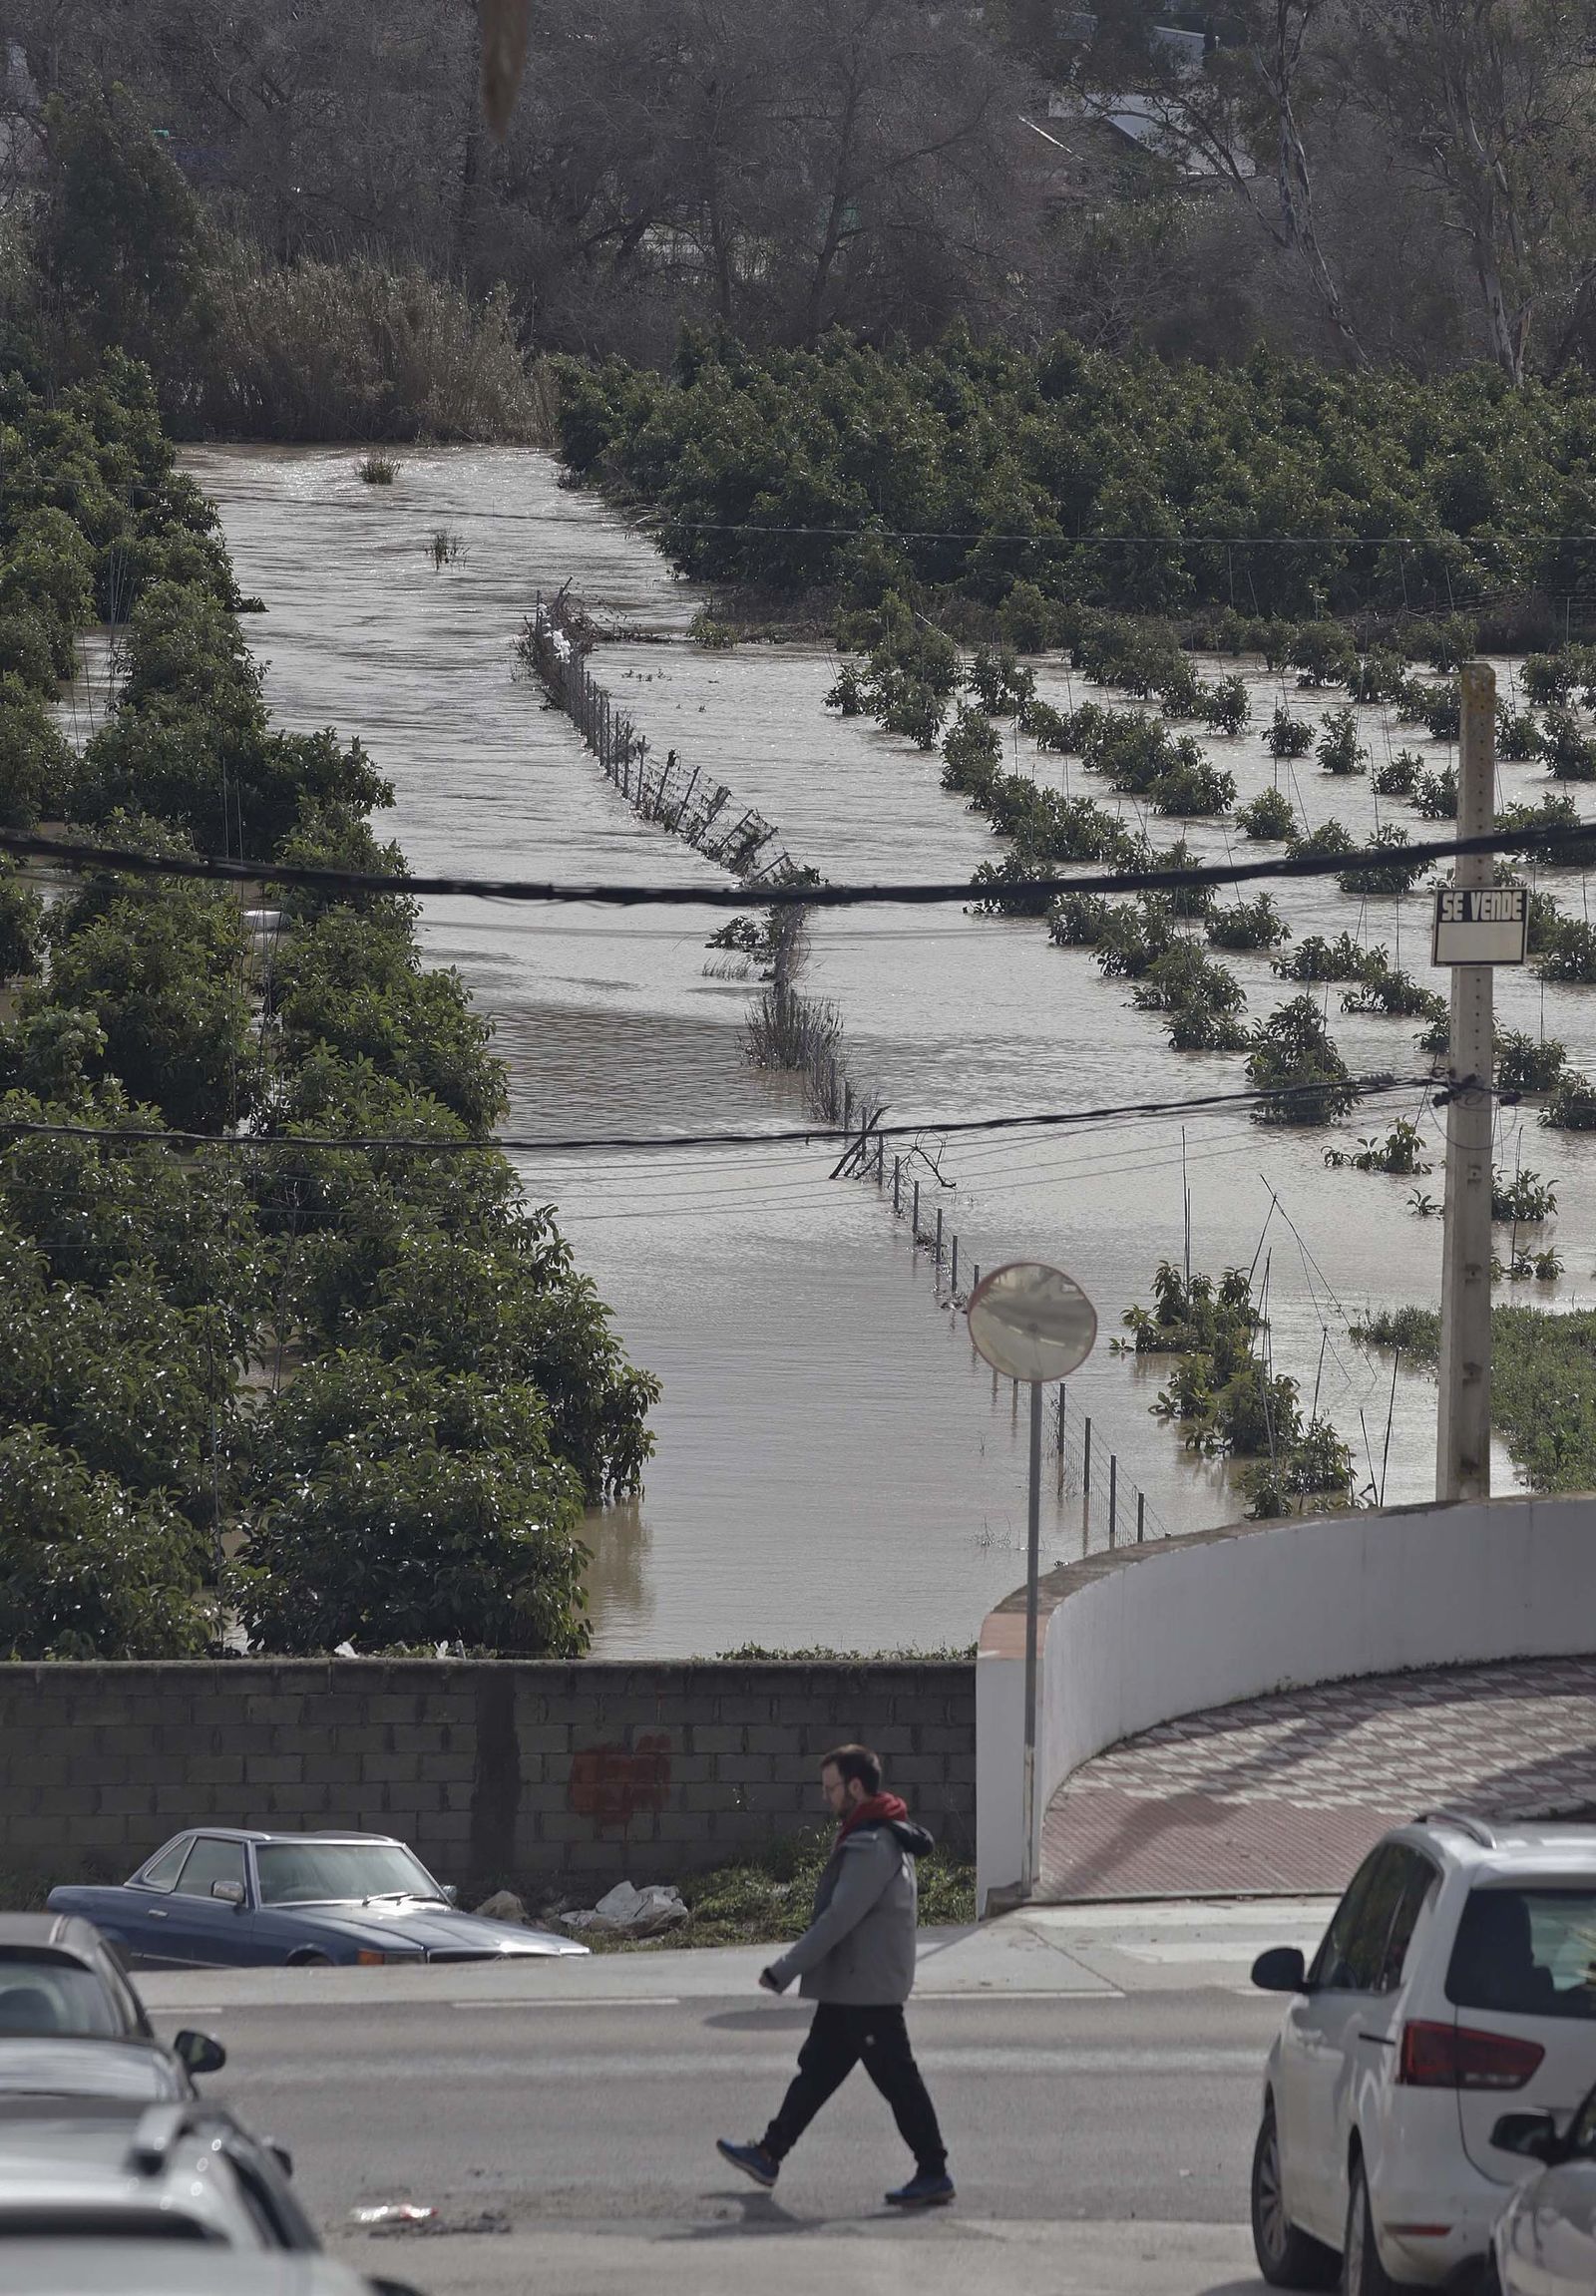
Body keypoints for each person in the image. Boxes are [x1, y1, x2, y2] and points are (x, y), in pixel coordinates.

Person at [716, 1742, 954, 2208]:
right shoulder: (877, 1831)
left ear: (856, 1787)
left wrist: (784, 1969)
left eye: (831, 1789)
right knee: (816, 2072)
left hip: (867, 1991)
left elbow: (838, 1918)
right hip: (853, 1986)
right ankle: (769, 2153)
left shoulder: (872, 1843)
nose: (826, 1798)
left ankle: (934, 2171)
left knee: (899, 2083)